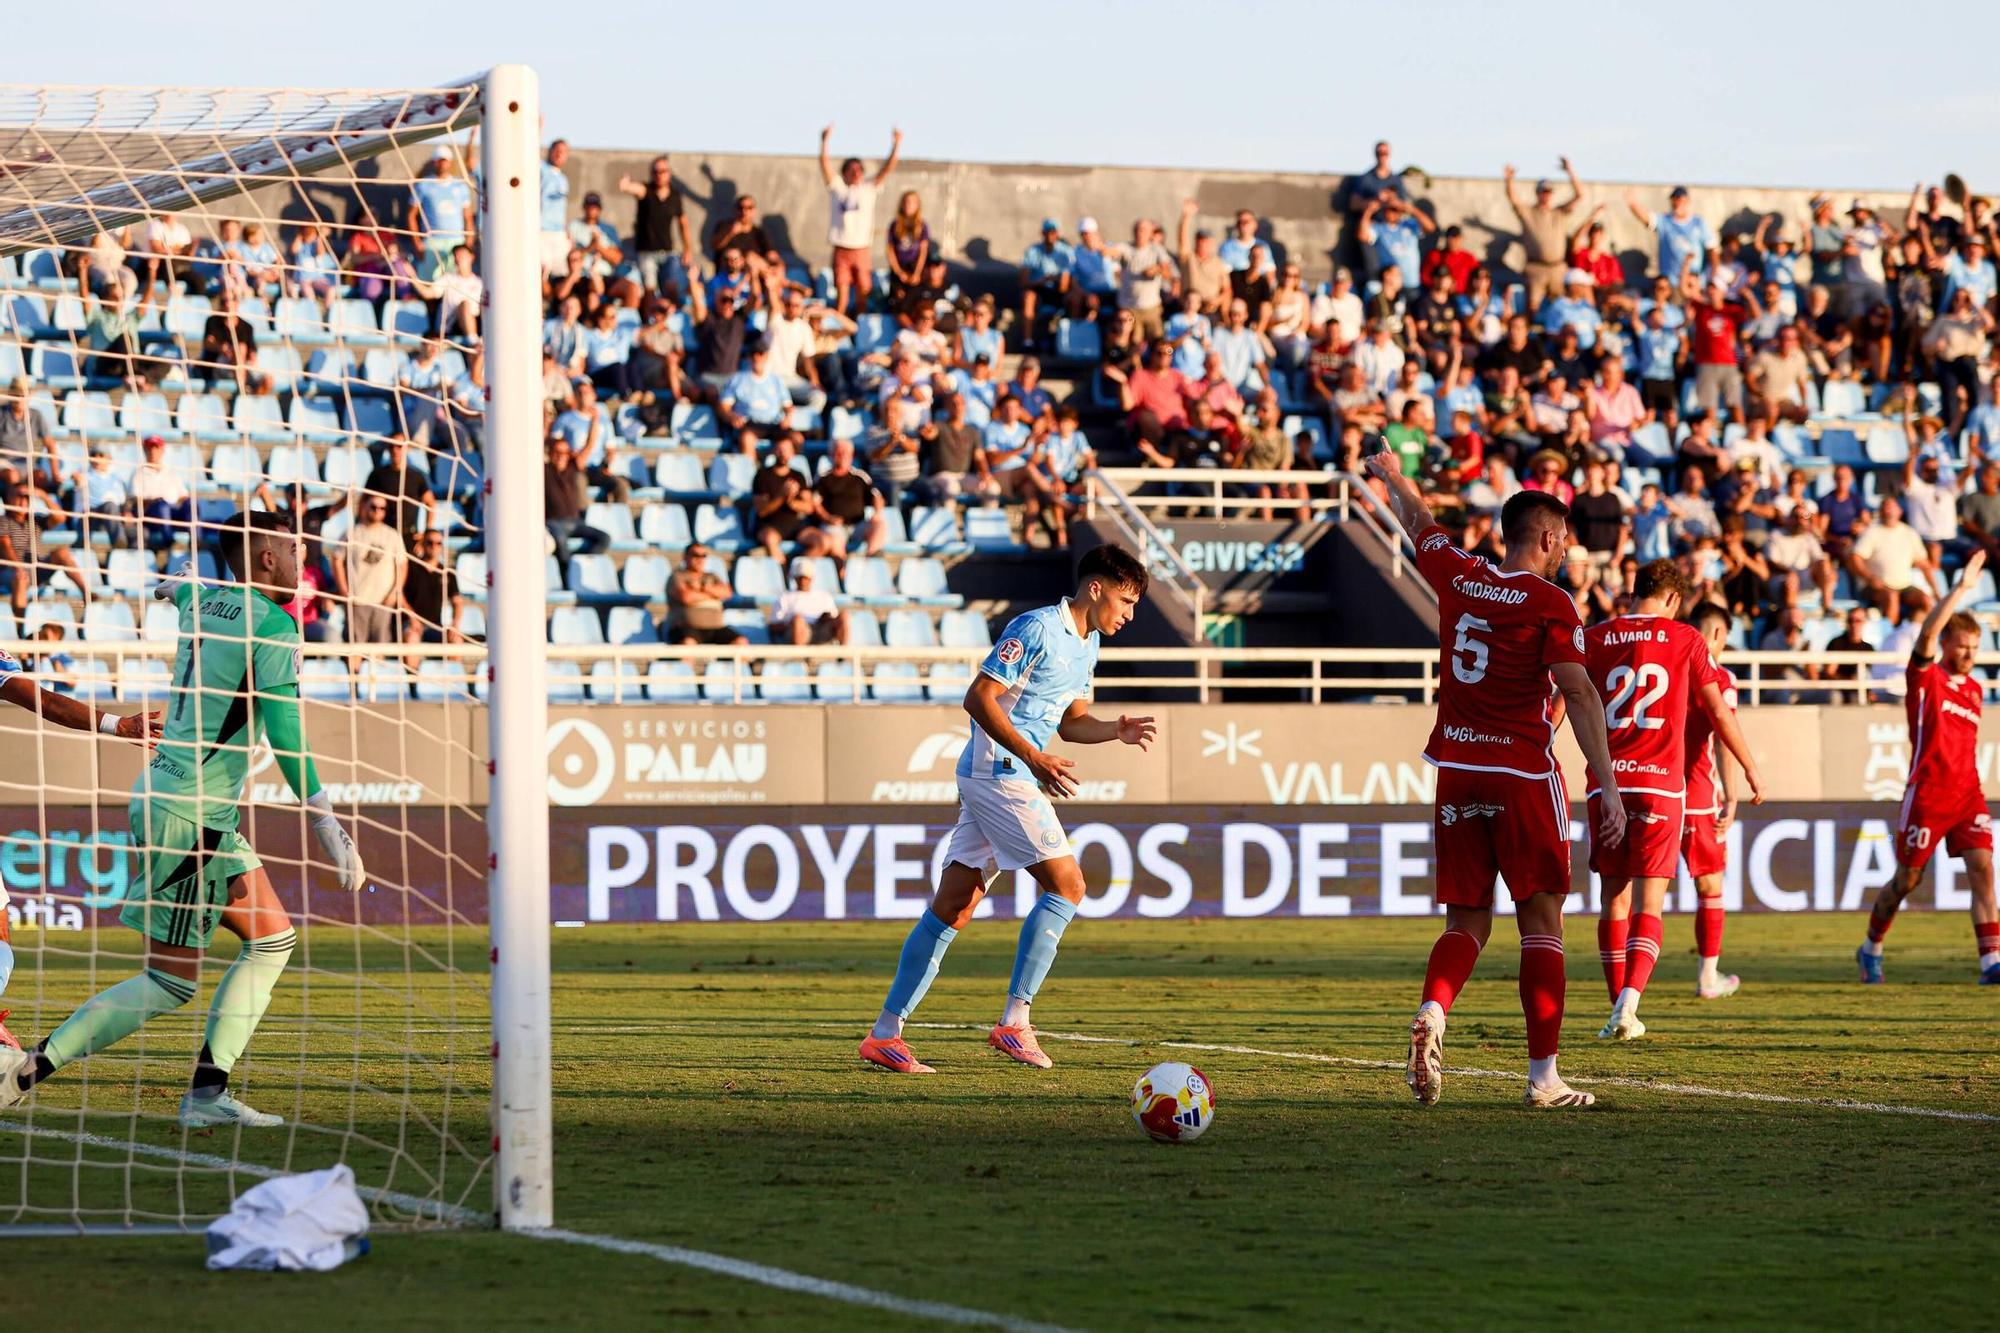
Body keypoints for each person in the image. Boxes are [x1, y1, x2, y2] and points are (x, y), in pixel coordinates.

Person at [0, 511, 365, 1122]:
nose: (304, 557)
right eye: (292, 547)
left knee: (272, 939)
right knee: (171, 980)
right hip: (192, 811)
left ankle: (207, 1092)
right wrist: (326, 820)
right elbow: (286, 732)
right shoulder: (273, 626)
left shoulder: (209, 601)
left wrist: (179, 588)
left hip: (182, 800)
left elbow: (194, 592)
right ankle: (25, 1075)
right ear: (268, 559)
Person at [1365, 455, 1627, 1110]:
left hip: (1456, 769)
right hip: (1521, 773)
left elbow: (1420, 522)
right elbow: (1577, 690)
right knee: (1541, 920)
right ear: (1544, 538)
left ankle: (1433, 1008)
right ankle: (1544, 1077)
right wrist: (1607, 778)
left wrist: (1394, 477)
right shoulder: (1550, 602)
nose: (1567, 549)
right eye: (1564, 538)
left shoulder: (1458, 575)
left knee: (1467, 919)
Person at [856, 545, 1156, 1074]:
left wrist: (1114, 731)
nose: (1129, 615)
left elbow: (1071, 721)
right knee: (1068, 886)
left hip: (1007, 773)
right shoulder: (1037, 628)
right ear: (1096, 588)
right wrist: (1033, 756)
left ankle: (885, 1035)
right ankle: (1015, 1023)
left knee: (954, 904)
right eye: (1126, 600)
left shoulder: (1087, 646)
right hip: (1001, 773)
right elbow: (979, 697)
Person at [1584, 560, 1765, 1042]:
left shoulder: (1596, 637)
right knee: (1651, 901)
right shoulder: (1685, 640)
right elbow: (1720, 714)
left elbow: (1567, 702)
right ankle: (1630, 1004)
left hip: (1607, 784)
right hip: (1663, 786)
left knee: (1613, 899)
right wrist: (1749, 767)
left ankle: (1615, 1002)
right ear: (1670, 600)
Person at [1859, 550, 2000, 986]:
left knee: (1982, 868)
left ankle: (1990, 963)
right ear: (1946, 646)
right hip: (1927, 793)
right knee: (1907, 879)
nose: (1969, 655)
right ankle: (1870, 948)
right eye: (1962, 647)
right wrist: (1959, 591)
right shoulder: (1926, 678)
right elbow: (1927, 632)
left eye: (1975, 649)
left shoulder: (1975, 690)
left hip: (1968, 795)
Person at [1678, 602, 1744, 998]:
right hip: (1698, 793)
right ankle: (1707, 978)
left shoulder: (1669, 665)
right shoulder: (1720, 677)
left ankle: (1624, 992)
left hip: (1645, 788)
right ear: (1718, 635)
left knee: (1634, 892)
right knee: (1710, 884)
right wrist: (1732, 795)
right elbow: (1723, 735)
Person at [819, 123, 903, 315]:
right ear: (845, 172)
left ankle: (859, 327)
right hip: (841, 248)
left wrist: (896, 145)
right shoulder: (838, 188)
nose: (856, 173)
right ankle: (841, 328)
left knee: (863, 292)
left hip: (862, 249)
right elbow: (825, 165)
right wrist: (824, 142)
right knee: (842, 295)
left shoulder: (868, 189)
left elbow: (887, 169)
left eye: (859, 169)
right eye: (852, 169)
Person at [1505, 159, 1585, 309]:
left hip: (1557, 268)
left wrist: (1570, 171)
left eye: (1548, 191)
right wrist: (1509, 179)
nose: (1545, 195)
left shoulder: (1559, 212)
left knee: (1562, 305)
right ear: (1537, 193)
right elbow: (1513, 199)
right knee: (1532, 307)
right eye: (1543, 191)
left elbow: (1580, 195)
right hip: (1536, 268)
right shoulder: (1528, 212)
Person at [616, 154, 696, 294]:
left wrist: (687, 249)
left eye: (663, 171)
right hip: (646, 253)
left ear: (669, 173)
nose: (659, 175)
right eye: (656, 172)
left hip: (668, 251)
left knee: (672, 287)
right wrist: (626, 185)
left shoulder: (675, 196)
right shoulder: (647, 191)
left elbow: (683, 223)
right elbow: (635, 188)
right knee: (650, 289)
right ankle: (648, 316)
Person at [769, 557, 848, 645]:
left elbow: (834, 619)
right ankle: (799, 656)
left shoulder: (824, 597)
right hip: (799, 633)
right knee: (798, 620)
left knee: (844, 616)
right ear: (795, 578)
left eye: (806, 578)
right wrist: (793, 623)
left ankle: (843, 655)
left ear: (811, 578)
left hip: (822, 631)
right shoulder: (785, 597)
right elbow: (773, 625)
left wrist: (825, 619)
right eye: (800, 577)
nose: (803, 581)